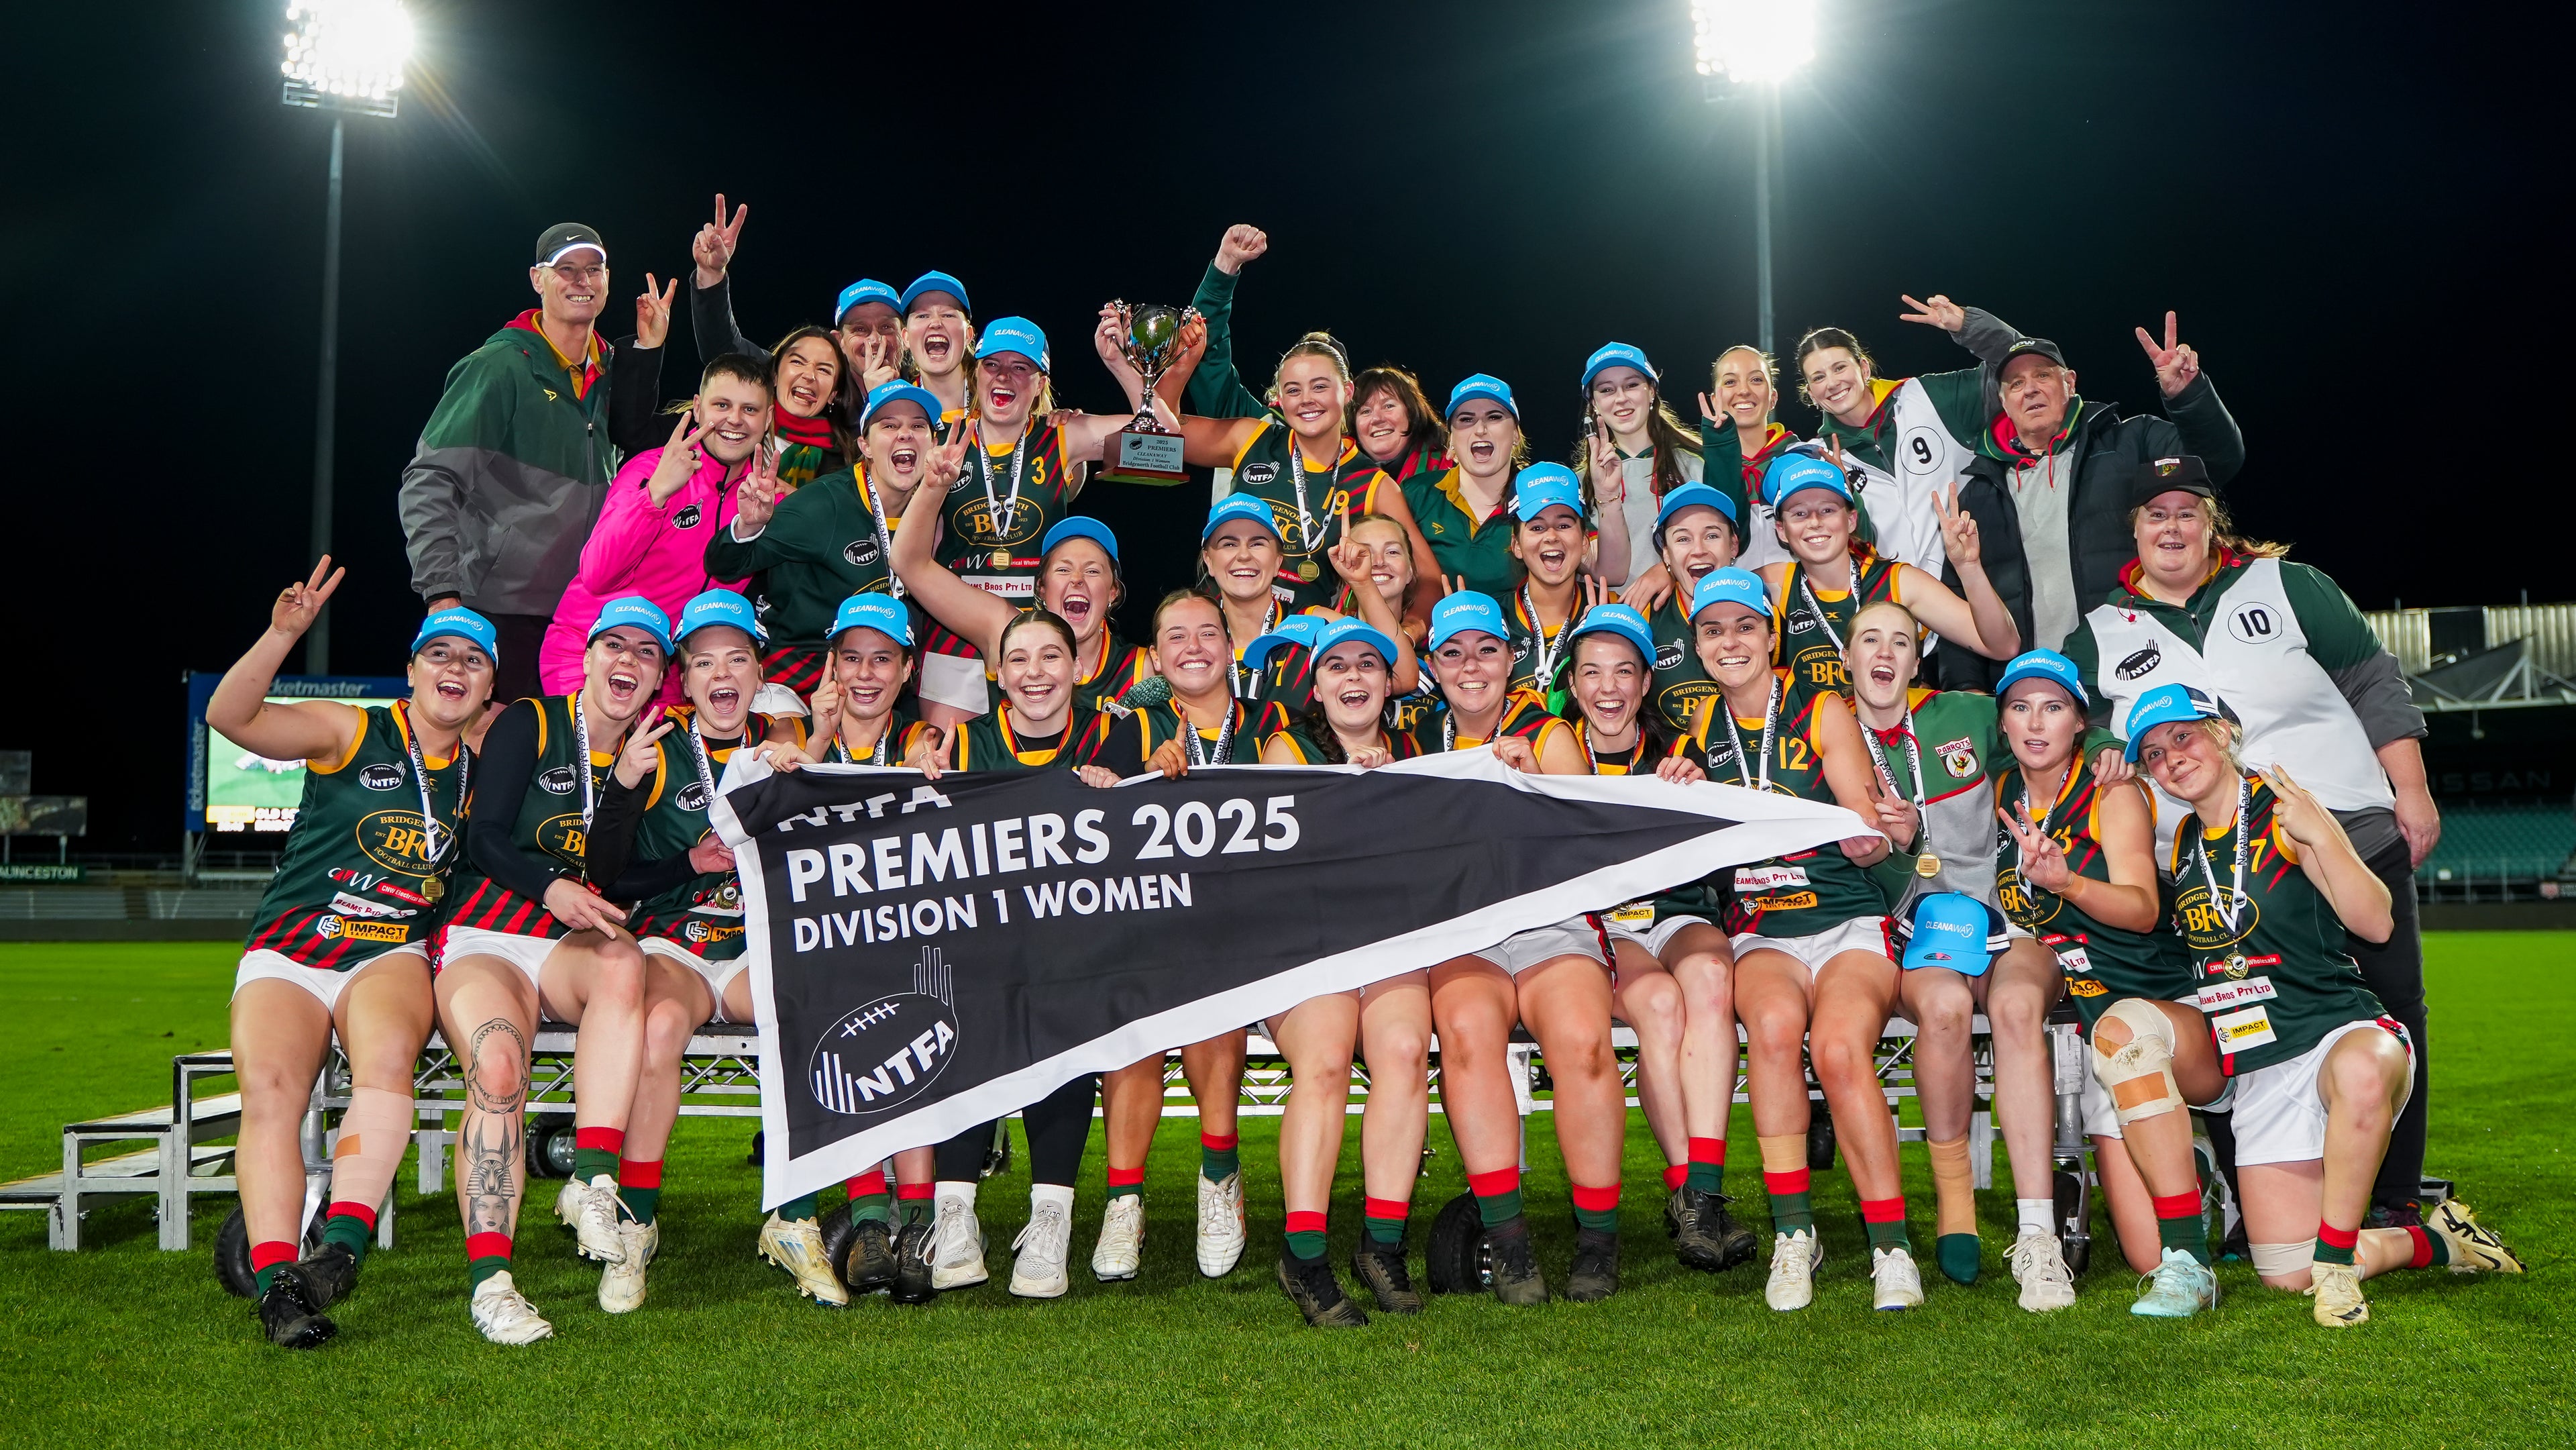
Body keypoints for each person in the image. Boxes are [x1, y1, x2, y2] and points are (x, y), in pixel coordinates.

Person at [2062, 458, 2441, 1225]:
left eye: (2186, 512)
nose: (2172, 527)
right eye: (2156, 515)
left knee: (2391, 1005)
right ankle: (2252, 1194)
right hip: (2211, 857)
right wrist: (2102, 736)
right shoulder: (2103, 628)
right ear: (2133, 530)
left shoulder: (2289, 584)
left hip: (2344, 821)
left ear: (2212, 522)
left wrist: (2413, 788)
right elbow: (2069, 716)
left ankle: (2395, 1199)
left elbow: (2372, 680)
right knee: (2241, 1008)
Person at [2124, 684, 2521, 1324]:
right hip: (2260, 1066)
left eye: (2182, 736)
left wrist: (2323, 836)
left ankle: (2340, 1272)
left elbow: (2378, 923)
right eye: (2153, 753)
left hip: (2338, 1034)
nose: (2171, 757)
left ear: (2224, 732)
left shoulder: (2285, 811)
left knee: (2364, 1073)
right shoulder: (2185, 843)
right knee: (2285, 1273)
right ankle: (2438, 1240)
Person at [213, 562, 492, 1347]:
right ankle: (277, 1285)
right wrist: (282, 636)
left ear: (486, 689)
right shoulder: (352, 728)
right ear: (411, 672)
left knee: (385, 1061)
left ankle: (340, 1247)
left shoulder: (484, 771)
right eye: (440, 654)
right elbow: (232, 717)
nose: (455, 669)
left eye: (473, 661)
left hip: (387, 951)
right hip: (292, 949)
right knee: (271, 1090)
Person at [1656, 568, 1922, 1312]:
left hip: (1843, 921)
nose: (1730, 641)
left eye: (1746, 627)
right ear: (1699, 644)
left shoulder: (1819, 708)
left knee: (1838, 1048)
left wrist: (1882, 833)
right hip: (1761, 932)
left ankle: (1891, 1244)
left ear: (1771, 638)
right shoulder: (1697, 733)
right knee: (1773, 1030)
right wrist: (1677, 788)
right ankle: (1793, 1232)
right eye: (1713, 630)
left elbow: (1863, 821)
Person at [432, 594, 674, 1341]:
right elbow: (485, 840)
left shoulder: (648, 757)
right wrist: (550, 885)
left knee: (623, 960)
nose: (628, 661)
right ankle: (490, 1282)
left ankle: (592, 1181)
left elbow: (616, 875)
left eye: (646, 653)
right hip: (488, 933)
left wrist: (682, 863)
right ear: (590, 655)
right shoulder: (531, 721)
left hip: (563, 941)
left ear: (660, 676)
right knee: (500, 1069)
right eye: (616, 646)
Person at [572, 590, 805, 1314]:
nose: (721, 673)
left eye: (737, 657)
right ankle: (637, 1223)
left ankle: (795, 1217)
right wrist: (632, 794)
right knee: (660, 1026)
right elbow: (608, 876)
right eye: (703, 661)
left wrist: (810, 773)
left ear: (758, 670)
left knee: (796, 1012)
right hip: (678, 941)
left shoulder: (784, 743)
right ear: (685, 678)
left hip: (754, 943)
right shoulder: (659, 746)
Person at [1409, 591, 1624, 1303]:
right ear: (1433, 666)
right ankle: (1508, 1241)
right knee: (1468, 1035)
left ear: (1512, 658)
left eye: (1486, 650)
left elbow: (1588, 832)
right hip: (1462, 930)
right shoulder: (1416, 736)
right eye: (1453, 652)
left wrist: (1530, 777)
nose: (1471, 666)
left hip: (1548, 921)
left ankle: (1597, 1240)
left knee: (1584, 1041)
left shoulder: (1548, 730)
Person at [1076, 589, 1297, 1284]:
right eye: (1177, 635)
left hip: (1259, 933)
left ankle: (1220, 1177)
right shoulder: (1133, 726)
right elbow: (1092, 812)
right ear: (1154, 656)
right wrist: (1129, 780)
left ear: (1230, 648)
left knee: (1211, 997)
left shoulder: (1274, 720)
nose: (1195, 645)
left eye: (1209, 632)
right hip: (1159, 930)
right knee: (1141, 1011)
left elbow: (1323, 797)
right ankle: (1123, 1199)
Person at [908, 611, 1124, 1300]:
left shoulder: (1119, 736)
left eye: (1051, 657)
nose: (1035, 673)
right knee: (968, 1003)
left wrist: (1145, 776)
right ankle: (956, 1212)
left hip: (1075, 953)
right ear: (996, 673)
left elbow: (1165, 810)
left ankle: (1051, 1215)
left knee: (1063, 1004)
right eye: (1020, 659)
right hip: (980, 950)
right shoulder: (962, 745)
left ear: (1077, 667)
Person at [1988, 650, 2197, 1294]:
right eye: (2020, 707)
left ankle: (2208, 1150)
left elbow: (2141, 909)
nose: (2035, 722)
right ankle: (2036, 1234)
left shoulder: (2114, 792)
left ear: (2080, 722)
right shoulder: (2005, 792)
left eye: (2053, 707)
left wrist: (2069, 881)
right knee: (2144, 1255)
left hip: (2152, 1007)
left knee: (2158, 1250)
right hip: (2091, 1004)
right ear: (2003, 725)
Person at [755, 593, 943, 1300]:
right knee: (849, 1010)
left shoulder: (926, 742)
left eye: (883, 659)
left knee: (916, 1018)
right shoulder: (791, 742)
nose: (867, 673)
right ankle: (869, 1221)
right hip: (832, 956)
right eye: (852, 657)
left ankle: (916, 1226)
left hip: (920, 953)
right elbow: (773, 826)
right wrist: (815, 743)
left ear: (906, 670)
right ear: (831, 665)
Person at [400, 223, 674, 702]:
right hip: (497, 610)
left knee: (567, 769)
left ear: (608, 282)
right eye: (565, 269)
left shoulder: (611, 368)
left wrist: (651, 349)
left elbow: (641, 437)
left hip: (582, 615)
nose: (581, 280)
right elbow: (429, 481)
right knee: (489, 762)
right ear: (537, 279)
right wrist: (442, 594)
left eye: (594, 270)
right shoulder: (499, 366)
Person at [1562, 603, 1756, 1275]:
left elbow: (1731, 843)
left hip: (1672, 910)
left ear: (1647, 682)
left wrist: (1701, 790)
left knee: (1708, 979)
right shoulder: (1551, 748)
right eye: (1592, 673)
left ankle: (1699, 1190)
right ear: (1573, 683)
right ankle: (1694, 1192)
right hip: (1600, 924)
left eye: (1624, 672)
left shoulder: (1683, 747)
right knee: (1663, 1006)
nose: (1609, 688)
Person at [1252, 616, 1430, 1325]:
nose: (1354, 678)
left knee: (1405, 1051)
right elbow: (1278, 855)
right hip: (1304, 940)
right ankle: (1304, 1254)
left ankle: (1382, 1243)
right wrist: (1347, 793)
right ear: (1315, 684)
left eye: (1368, 665)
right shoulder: (1285, 749)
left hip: (1388, 941)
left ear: (1389, 683)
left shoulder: (1422, 755)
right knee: (1324, 1060)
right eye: (1337, 667)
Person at [1157, 242, 1442, 617]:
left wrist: (1411, 631)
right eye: (1294, 389)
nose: (1307, 399)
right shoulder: (1251, 436)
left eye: (1320, 386)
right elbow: (1159, 435)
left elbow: (1430, 579)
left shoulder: (1373, 485)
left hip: (1304, 653)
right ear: (1279, 399)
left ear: (1348, 392)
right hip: (1220, 631)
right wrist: (1178, 368)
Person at [1949, 316, 2243, 673]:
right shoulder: (1977, 492)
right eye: (2016, 383)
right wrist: (1968, 691)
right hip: (2033, 691)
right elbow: (1960, 604)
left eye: (2043, 375)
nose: (2030, 389)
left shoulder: (2132, 442)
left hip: (2140, 665)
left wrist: (2188, 396)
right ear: (2004, 401)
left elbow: (2216, 463)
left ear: (2070, 383)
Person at [911, 315, 1158, 725]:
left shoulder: (1063, 435)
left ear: (1041, 383)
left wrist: (1121, 365)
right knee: (954, 767)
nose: (1004, 376)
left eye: (1020, 367)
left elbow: (1163, 437)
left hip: (1038, 632)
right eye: (993, 364)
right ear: (976, 373)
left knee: (1041, 762)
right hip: (953, 624)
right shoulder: (942, 437)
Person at [539, 354, 776, 696]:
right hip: (591, 654)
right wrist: (655, 495)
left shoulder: (764, 500)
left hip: (669, 673)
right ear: (697, 408)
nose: (735, 420)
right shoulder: (651, 470)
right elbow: (597, 574)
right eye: (722, 405)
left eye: (750, 410)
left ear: (768, 418)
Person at [704, 379, 946, 695]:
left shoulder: (932, 506)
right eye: (889, 425)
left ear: (932, 443)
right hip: (799, 677)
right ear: (866, 447)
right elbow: (722, 563)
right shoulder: (823, 504)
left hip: (878, 679)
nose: (905, 434)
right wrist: (748, 527)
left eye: (918, 425)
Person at [1757, 451, 2019, 707]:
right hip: (1814, 746)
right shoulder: (1772, 585)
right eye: (1800, 513)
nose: (1814, 523)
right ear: (1781, 530)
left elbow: (2002, 646)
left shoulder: (1899, 582)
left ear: (1851, 520)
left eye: (1827, 510)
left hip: (1895, 743)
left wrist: (1968, 567)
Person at [1795, 295, 2023, 580]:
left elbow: (2021, 367)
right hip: (1895, 610)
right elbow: (1846, 550)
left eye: (1840, 368)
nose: (1832, 383)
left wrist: (1969, 327)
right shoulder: (1819, 459)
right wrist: (1848, 499)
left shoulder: (1930, 398)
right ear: (1811, 393)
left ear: (1863, 368)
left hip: (1980, 585)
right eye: (1817, 378)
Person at [892, 499, 1150, 715]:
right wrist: (934, 486)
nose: (1077, 579)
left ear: (1113, 592)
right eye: (1063, 569)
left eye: (1092, 571)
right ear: (1041, 588)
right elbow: (907, 563)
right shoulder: (1004, 629)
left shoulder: (1141, 668)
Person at [1403, 375, 1562, 601]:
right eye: (1467, 420)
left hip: (1522, 635)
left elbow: (1608, 571)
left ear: (1516, 435)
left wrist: (1607, 497)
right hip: (1435, 635)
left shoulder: (1544, 495)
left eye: (1494, 417)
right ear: (1451, 441)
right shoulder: (1416, 493)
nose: (1480, 429)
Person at [1575, 343, 1704, 583]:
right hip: (1610, 617)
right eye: (1606, 390)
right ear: (1594, 403)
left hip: (1683, 613)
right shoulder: (1579, 484)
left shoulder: (1695, 466)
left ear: (1652, 391)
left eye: (1632, 385)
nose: (1621, 398)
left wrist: (1668, 571)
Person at [1619, 482, 1740, 733]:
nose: (1698, 550)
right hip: (1664, 767)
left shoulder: (1763, 610)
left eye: (1712, 535)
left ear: (1733, 546)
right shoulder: (1642, 616)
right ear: (1666, 554)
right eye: (1683, 539)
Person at [1493, 466, 1609, 706]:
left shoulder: (1610, 609)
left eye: (1564, 525)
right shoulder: (1493, 619)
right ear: (1516, 545)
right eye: (1537, 527)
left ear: (1585, 541)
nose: (1552, 536)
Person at [1690, 345, 1801, 572]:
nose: (1744, 391)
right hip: (1730, 600)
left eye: (1756, 380)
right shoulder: (1695, 469)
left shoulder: (1803, 459)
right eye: (1730, 382)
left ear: (1773, 398)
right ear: (1715, 399)